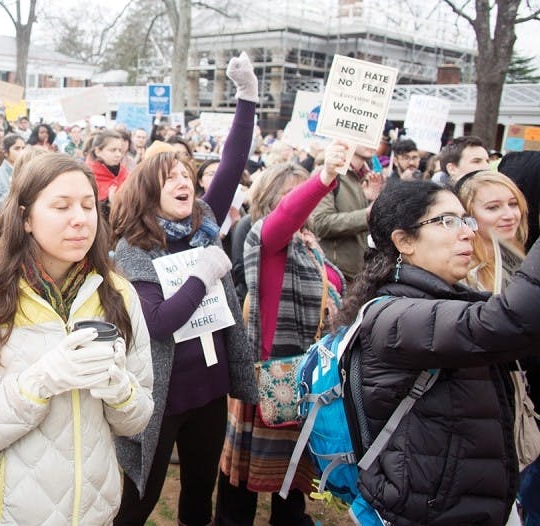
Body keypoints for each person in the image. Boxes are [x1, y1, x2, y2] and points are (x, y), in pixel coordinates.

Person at [0, 153, 154, 524]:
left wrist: (119, 388)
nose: (80, 219)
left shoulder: (118, 294)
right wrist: (40, 382)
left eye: (88, 205)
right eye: (61, 206)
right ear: (25, 218)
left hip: (94, 514)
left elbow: (138, 419)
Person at [329, 179, 540, 525]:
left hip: (466, 502)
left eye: (465, 220)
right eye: (447, 221)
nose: (468, 232)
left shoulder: (447, 297)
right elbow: (507, 322)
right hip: (431, 511)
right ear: (405, 241)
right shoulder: (392, 316)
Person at [110, 50, 261, 526]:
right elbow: (158, 322)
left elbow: (232, 162)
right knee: (140, 499)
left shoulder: (204, 223)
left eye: (186, 176)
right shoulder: (134, 249)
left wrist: (247, 96)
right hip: (163, 396)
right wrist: (203, 274)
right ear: (148, 191)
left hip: (210, 392)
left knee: (199, 494)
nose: (184, 182)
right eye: (170, 177)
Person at [219, 149, 350, 526]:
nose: (304, 198)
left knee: (294, 469)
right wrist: (323, 177)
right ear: (271, 196)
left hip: (307, 370)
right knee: (242, 478)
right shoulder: (265, 235)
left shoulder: (307, 240)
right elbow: (288, 214)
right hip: (271, 373)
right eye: (293, 192)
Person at [310, 144, 385, 282]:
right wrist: (367, 214)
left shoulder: (368, 176)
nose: (372, 142)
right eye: (366, 136)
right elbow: (320, 223)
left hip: (361, 274)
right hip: (334, 274)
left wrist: (370, 200)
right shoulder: (328, 173)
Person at [454, 170, 528, 292]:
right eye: (493, 207)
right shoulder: (462, 272)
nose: (510, 215)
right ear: (468, 216)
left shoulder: (520, 257)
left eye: (513, 204)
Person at [86, 129, 129, 218]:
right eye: (113, 150)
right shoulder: (88, 176)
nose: (118, 154)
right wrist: (109, 204)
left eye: (120, 150)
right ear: (98, 151)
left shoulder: (124, 173)